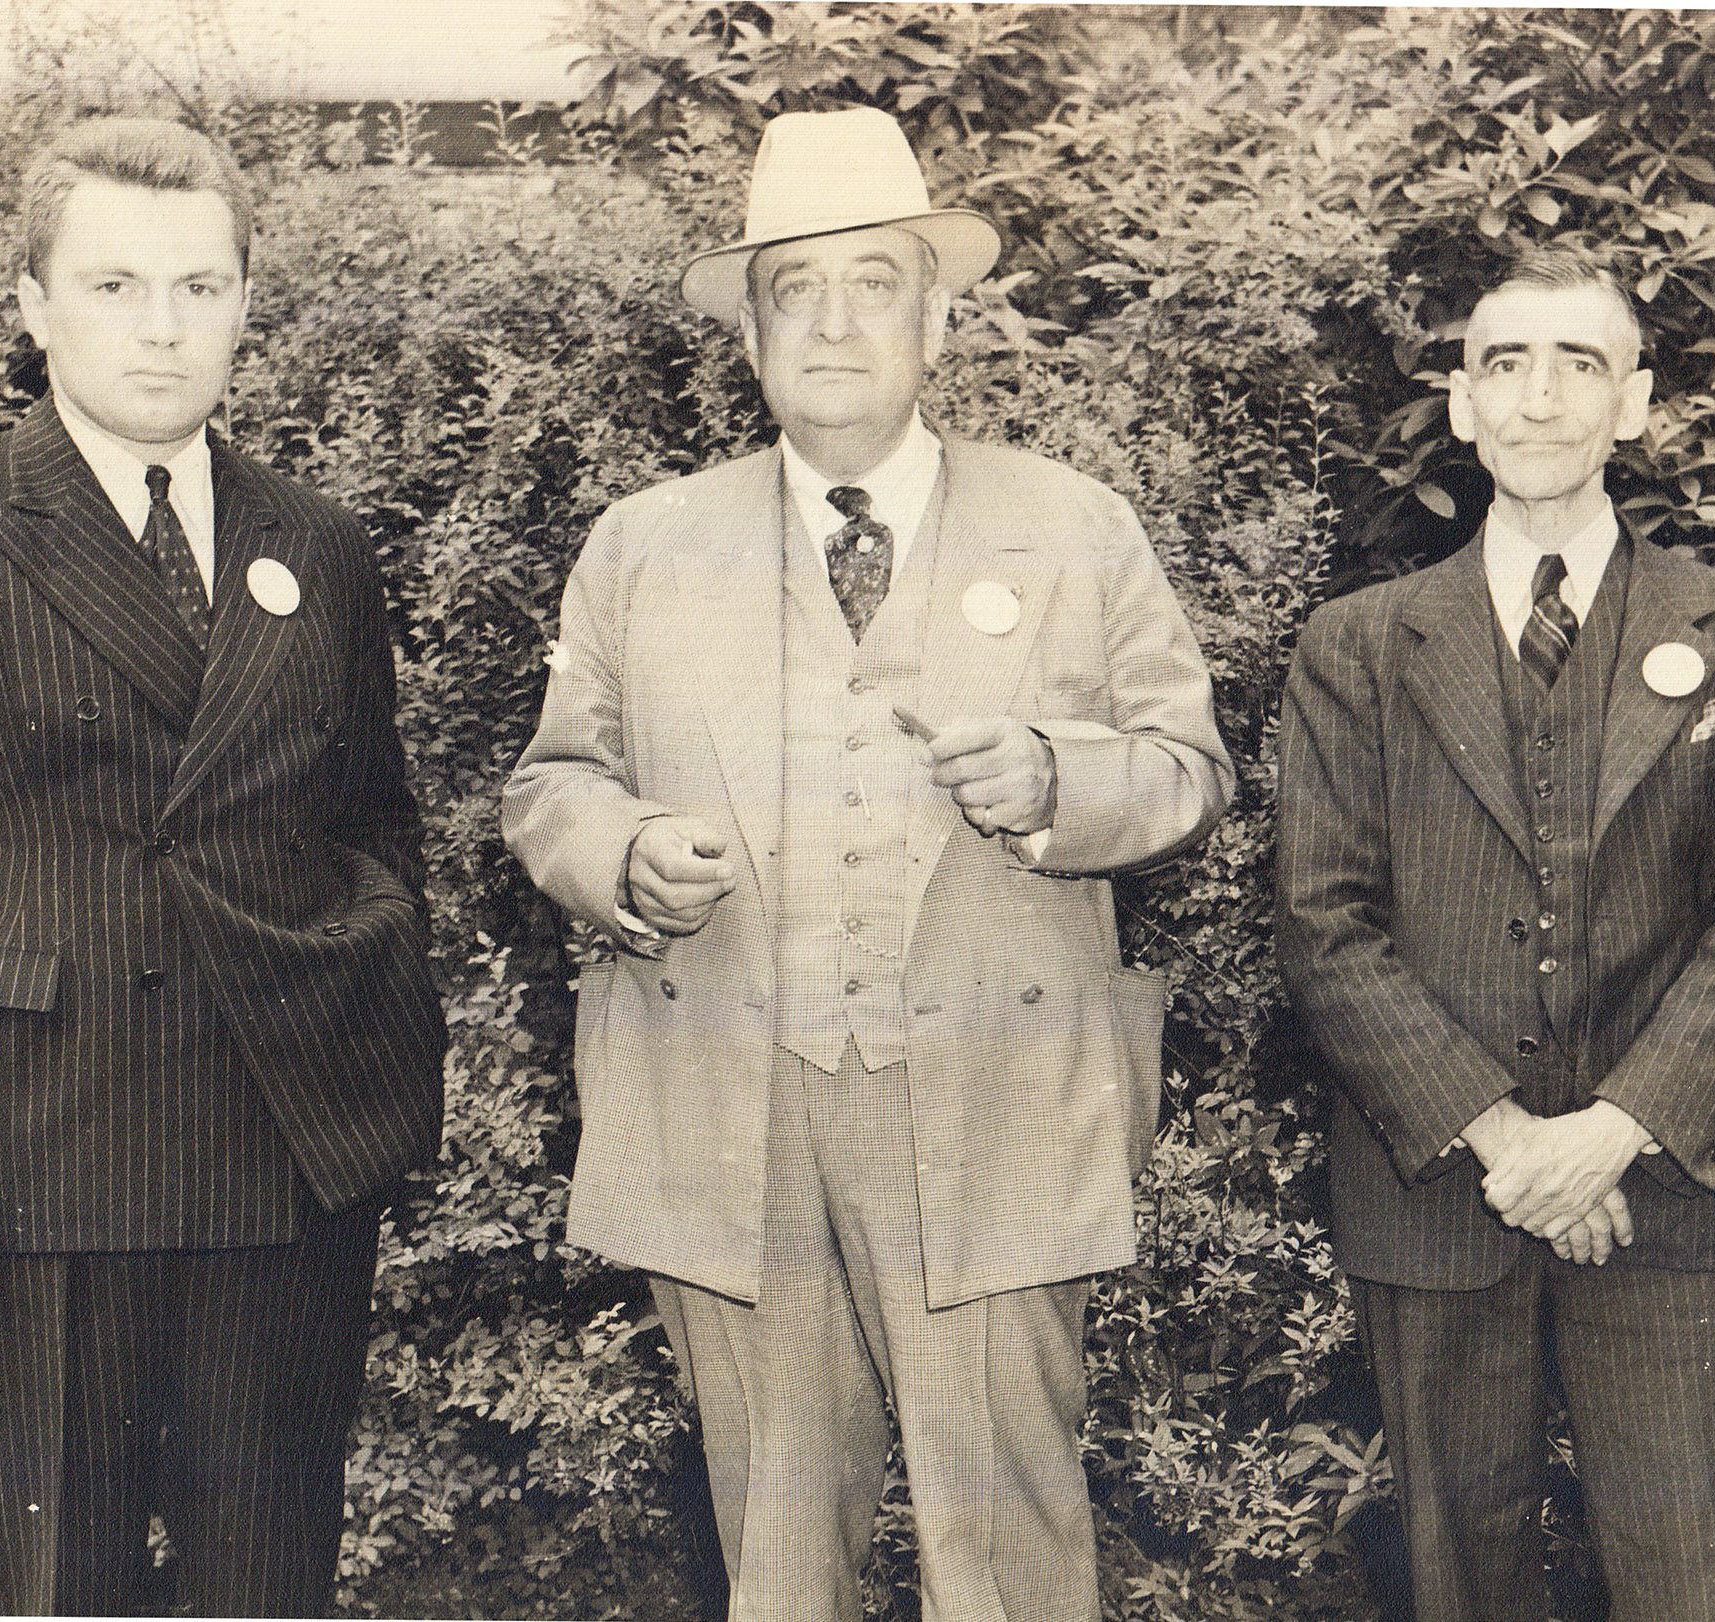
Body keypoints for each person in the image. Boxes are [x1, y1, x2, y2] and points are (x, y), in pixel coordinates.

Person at [500, 107, 1233, 1621]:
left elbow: (1189, 770)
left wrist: (1057, 780)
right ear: (752, 332)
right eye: (797, 289)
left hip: (996, 1102)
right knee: (775, 1554)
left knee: (1007, 1551)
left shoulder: (1077, 527)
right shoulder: (642, 544)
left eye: (875, 283)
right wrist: (625, 855)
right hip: (727, 1111)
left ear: (937, 320)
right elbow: (551, 783)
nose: (834, 323)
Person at [0, 117, 445, 1615]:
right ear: (34, 306)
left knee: (267, 1581)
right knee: (49, 1585)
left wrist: (362, 1025)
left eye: (199, 286)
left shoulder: (320, 543)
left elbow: (375, 827)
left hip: (281, 1146)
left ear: (244, 303)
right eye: (114, 286)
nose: (163, 327)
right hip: (36, 1155)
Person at [1277, 247, 1715, 1620]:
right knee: (1460, 1583)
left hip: (1668, 1187)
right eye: (1505, 363)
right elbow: (1326, 923)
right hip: (1438, 1194)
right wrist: (1510, 1141)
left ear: (1632, 403)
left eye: (1581, 363)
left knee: (1707, 1584)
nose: (1541, 397)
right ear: (1462, 405)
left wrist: (1610, 1132)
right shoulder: (1358, 644)